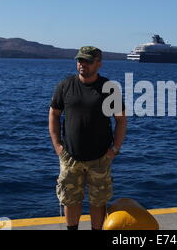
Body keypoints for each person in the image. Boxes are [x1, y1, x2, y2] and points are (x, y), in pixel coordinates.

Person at [49, 46, 127, 230]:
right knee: (70, 199)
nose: (83, 64)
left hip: (100, 157)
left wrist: (114, 149)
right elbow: (54, 114)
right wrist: (57, 146)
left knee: (98, 201)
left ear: (99, 63)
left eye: (88, 61)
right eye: (80, 60)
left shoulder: (109, 89)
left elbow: (121, 121)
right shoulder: (65, 86)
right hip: (70, 157)